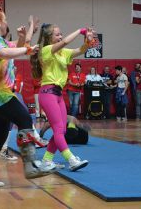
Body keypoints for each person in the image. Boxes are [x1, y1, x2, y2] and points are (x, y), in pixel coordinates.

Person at [0, 7, 49, 187]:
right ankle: (31, 165)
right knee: (24, 119)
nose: (7, 22)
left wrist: (28, 31)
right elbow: (5, 53)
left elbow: (19, 46)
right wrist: (26, 50)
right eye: (5, 19)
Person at [30, 23, 92, 173]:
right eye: (57, 34)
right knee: (58, 129)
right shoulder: (45, 50)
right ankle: (71, 159)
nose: (60, 36)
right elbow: (64, 42)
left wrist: (87, 41)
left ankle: (46, 161)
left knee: (62, 131)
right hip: (48, 93)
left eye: (61, 34)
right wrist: (79, 30)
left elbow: (80, 50)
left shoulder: (63, 52)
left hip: (58, 95)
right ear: (48, 37)